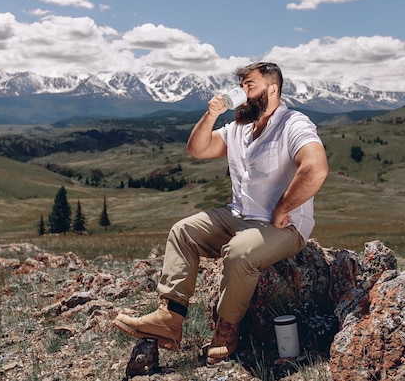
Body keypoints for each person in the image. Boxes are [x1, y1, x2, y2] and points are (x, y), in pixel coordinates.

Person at [113, 62, 328, 363]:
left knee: (239, 252)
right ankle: (169, 319)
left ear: (273, 89)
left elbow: (316, 168)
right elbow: (197, 149)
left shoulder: (294, 124)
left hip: (283, 227)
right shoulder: (240, 127)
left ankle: (227, 331)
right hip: (239, 216)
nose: (242, 92)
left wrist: (284, 206)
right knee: (183, 231)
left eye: (249, 85)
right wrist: (211, 114)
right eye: (241, 85)